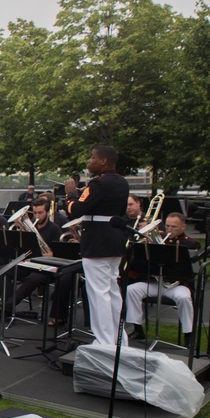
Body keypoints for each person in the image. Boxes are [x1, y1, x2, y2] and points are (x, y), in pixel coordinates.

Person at [65, 145, 129, 346]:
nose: (88, 161)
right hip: (115, 240)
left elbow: (77, 209)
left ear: (103, 161)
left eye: (92, 157)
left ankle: (104, 341)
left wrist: (71, 195)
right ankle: (119, 339)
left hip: (98, 242)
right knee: (112, 290)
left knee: (98, 293)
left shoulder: (98, 184)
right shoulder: (121, 182)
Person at [125, 212, 200, 348]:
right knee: (131, 290)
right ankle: (137, 329)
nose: (169, 230)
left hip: (177, 285)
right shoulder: (157, 240)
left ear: (183, 227)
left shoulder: (190, 244)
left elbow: (189, 270)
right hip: (155, 282)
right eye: (167, 226)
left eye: (174, 227)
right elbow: (138, 265)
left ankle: (188, 334)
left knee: (184, 298)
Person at [0, 198, 63, 318]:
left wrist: (42, 254)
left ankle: (6, 308)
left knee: (32, 279)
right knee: (3, 270)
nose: (37, 216)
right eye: (35, 213)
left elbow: (57, 253)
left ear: (47, 213)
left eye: (40, 213)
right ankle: (8, 307)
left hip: (45, 266)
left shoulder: (54, 229)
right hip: (29, 263)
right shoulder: (30, 226)